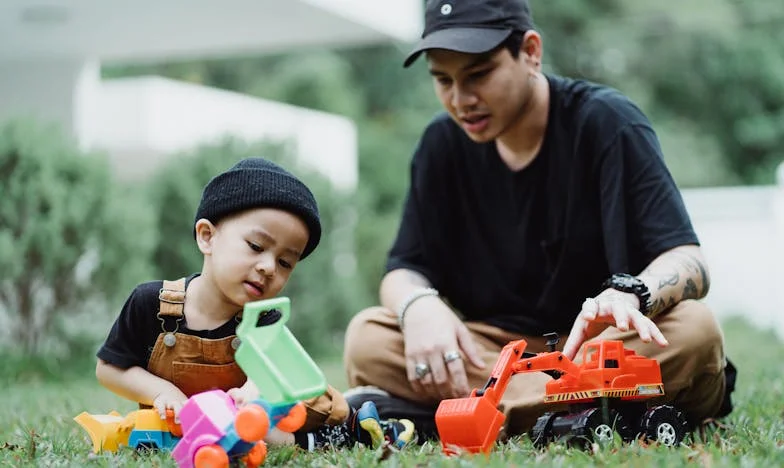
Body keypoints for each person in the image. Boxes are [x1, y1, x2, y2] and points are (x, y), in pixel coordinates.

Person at [342, 0, 735, 440]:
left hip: (600, 346)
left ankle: (459, 414)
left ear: (530, 52)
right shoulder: (440, 145)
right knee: (368, 337)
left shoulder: (608, 122)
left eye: (478, 75)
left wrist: (631, 295)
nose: (461, 99)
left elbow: (690, 261)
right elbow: (403, 269)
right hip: (496, 352)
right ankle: (572, 414)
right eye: (442, 80)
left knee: (695, 331)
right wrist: (419, 307)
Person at [95, 157, 415, 451]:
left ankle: (352, 425)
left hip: (249, 417)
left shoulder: (263, 318)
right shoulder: (152, 303)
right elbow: (110, 368)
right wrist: (161, 391)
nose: (268, 267)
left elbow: (273, 374)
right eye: (255, 245)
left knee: (282, 419)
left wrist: (252, 391)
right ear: (207, 236)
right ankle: (321, 438)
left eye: (286, 262)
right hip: (180, 423)